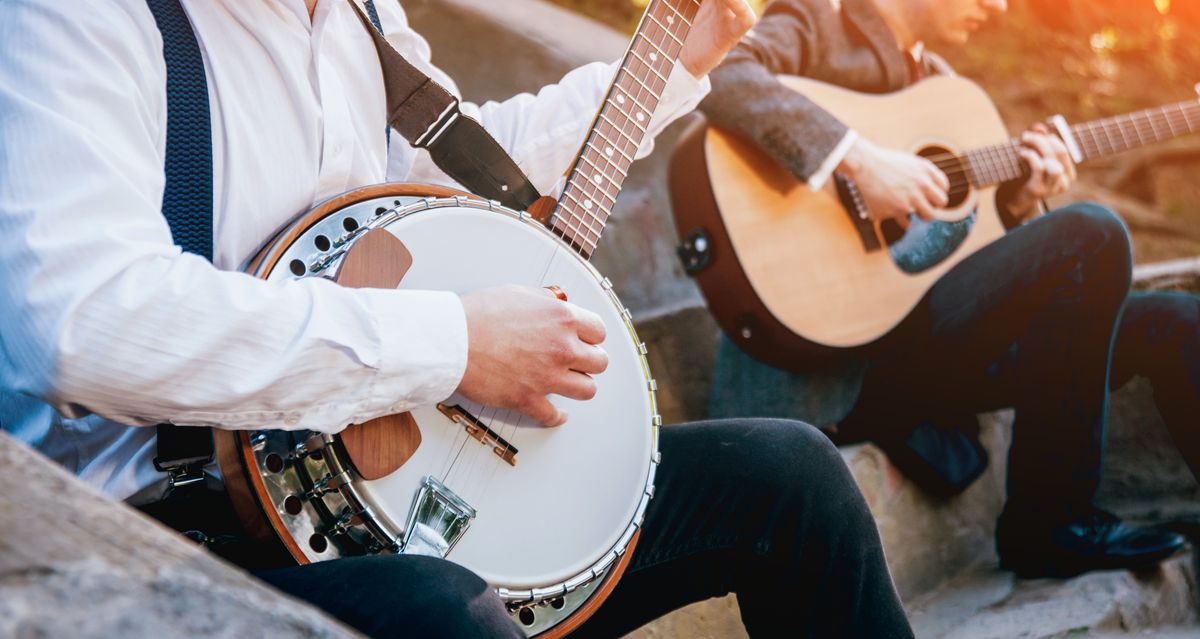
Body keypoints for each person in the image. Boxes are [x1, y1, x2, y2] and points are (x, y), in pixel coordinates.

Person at [0, 0, 916, 637]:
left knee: (790, 476)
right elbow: (77, 317)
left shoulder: (356, 18)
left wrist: (675, 62)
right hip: (178, 528)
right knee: (446, 609)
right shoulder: (86, 19)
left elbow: (477, 166)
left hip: (393, 472)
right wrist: (456, 345)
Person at [698, 0, 1196, 579]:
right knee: (1092, 231)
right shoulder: (818, 23)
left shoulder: (944, 89)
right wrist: (859, 160)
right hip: (844, 346)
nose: (998, 6)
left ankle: (1054, 522)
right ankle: (1050, 522)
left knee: (1179, 321)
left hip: (935, 340)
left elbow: (965, 251)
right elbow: (718, 73)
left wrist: (1017, 200)